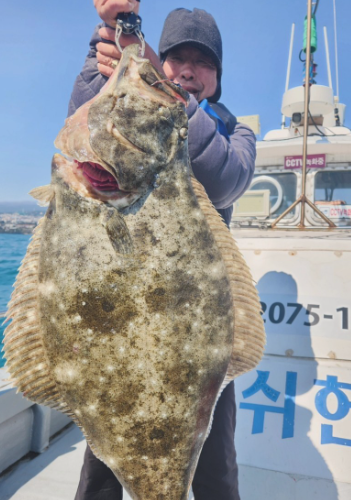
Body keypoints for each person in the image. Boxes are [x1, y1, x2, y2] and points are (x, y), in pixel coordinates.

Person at [70, 2, 256, 499]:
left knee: (217, 469)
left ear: (216, 77)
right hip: (119, 319)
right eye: (177, 59)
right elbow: (87, 120)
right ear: (160, 59)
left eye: (204, 62)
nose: (190, 71)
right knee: (101, 464)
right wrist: (107, 37)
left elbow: (224, 179)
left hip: (204, 329)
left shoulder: (235, 133)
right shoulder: (134, 106)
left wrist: (165, 91)